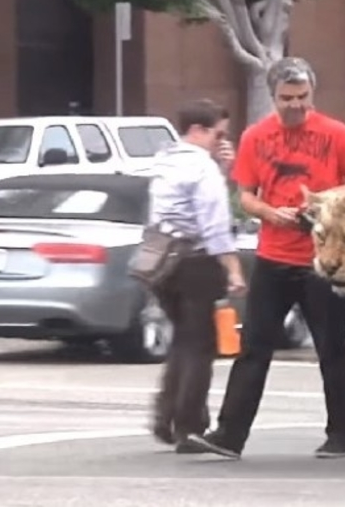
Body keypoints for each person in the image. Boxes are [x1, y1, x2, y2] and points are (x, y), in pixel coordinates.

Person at [185, 57, 345, 460]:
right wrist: (271, 213)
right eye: (287, 98)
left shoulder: (335, 133)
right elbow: (246, 196)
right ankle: (230, 434)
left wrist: (324, 201)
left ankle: (344, 433)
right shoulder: (256, 136)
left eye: (303, 96)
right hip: (273, 256)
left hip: (322, 258)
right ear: (274, 96)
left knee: (331, 349)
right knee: (254, 347)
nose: (296, 105)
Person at [147, 98, 247, 453]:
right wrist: (233, 269)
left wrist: (221, 166)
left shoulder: (164, 161)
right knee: (201, 345)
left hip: (162, 259)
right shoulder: (202, 169)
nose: (223, 141)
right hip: (197, 262)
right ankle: (189, 426)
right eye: (218, 134)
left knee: (183, 341)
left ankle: (167, 416)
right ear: (198, 130)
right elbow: (215, 225)